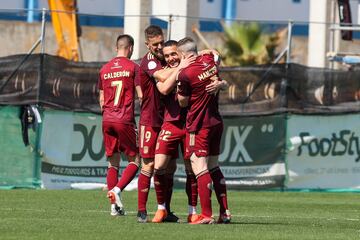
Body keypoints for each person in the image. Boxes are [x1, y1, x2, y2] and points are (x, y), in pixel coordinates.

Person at [136, 25, 188, 223]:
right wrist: (182, 66)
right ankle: (142, 210)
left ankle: (166, 209)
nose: (159, 47)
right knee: (148, 165)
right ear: (147, 44)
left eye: (161, 42)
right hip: (150, 120)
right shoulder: (149, 62)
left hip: (167, 120)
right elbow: (162, 77)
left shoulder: (167, 57)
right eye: (155, 44)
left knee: (171, 167)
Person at [176, 37, 231, 224]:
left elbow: (182, 102)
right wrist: (221, 84)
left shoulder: (185, 74)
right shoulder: (209, 61)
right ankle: (225, 213)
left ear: (183, 55)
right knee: (214, 166)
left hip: (199, 124)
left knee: (199, 167)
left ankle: (206, 215)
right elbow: (215, 53)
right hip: (216, 121)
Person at [150, 40, 199, 223]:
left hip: (190, 125)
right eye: (167, 55)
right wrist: (180, 68)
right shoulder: (162, 72)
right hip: (170, 124)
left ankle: (192, 211)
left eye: (173, 54)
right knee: (159, 166)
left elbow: (213, 54)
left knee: (191, 170)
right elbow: (163, 88)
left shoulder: (193, 67)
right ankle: (161, 208)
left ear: (181, 53)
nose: (170, 58)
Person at [98, 34, 141, 216]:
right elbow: (141, 95)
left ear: (117, 48)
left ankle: (113, 208)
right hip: (124, 119)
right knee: (136, 160)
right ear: (130, 48)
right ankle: (117, 190)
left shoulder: (104, 69)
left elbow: (101, 100)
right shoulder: (133, 67)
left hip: (107, 119)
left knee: (112, 164)